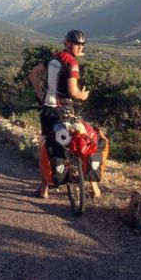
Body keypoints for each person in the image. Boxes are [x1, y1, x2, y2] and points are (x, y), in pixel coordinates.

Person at [29, 30, 104, 199]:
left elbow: (34, 74)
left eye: (82, 44)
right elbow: (73, 92)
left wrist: (41, 96)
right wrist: (83, 96)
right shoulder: (72, 63)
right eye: (78, 44)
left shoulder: (53, 57)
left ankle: (44, 190)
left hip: (47, 109)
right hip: (64, 110)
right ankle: (95, 189)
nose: (80, 47)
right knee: (85, 141)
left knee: (47, 146)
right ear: (69, 44)